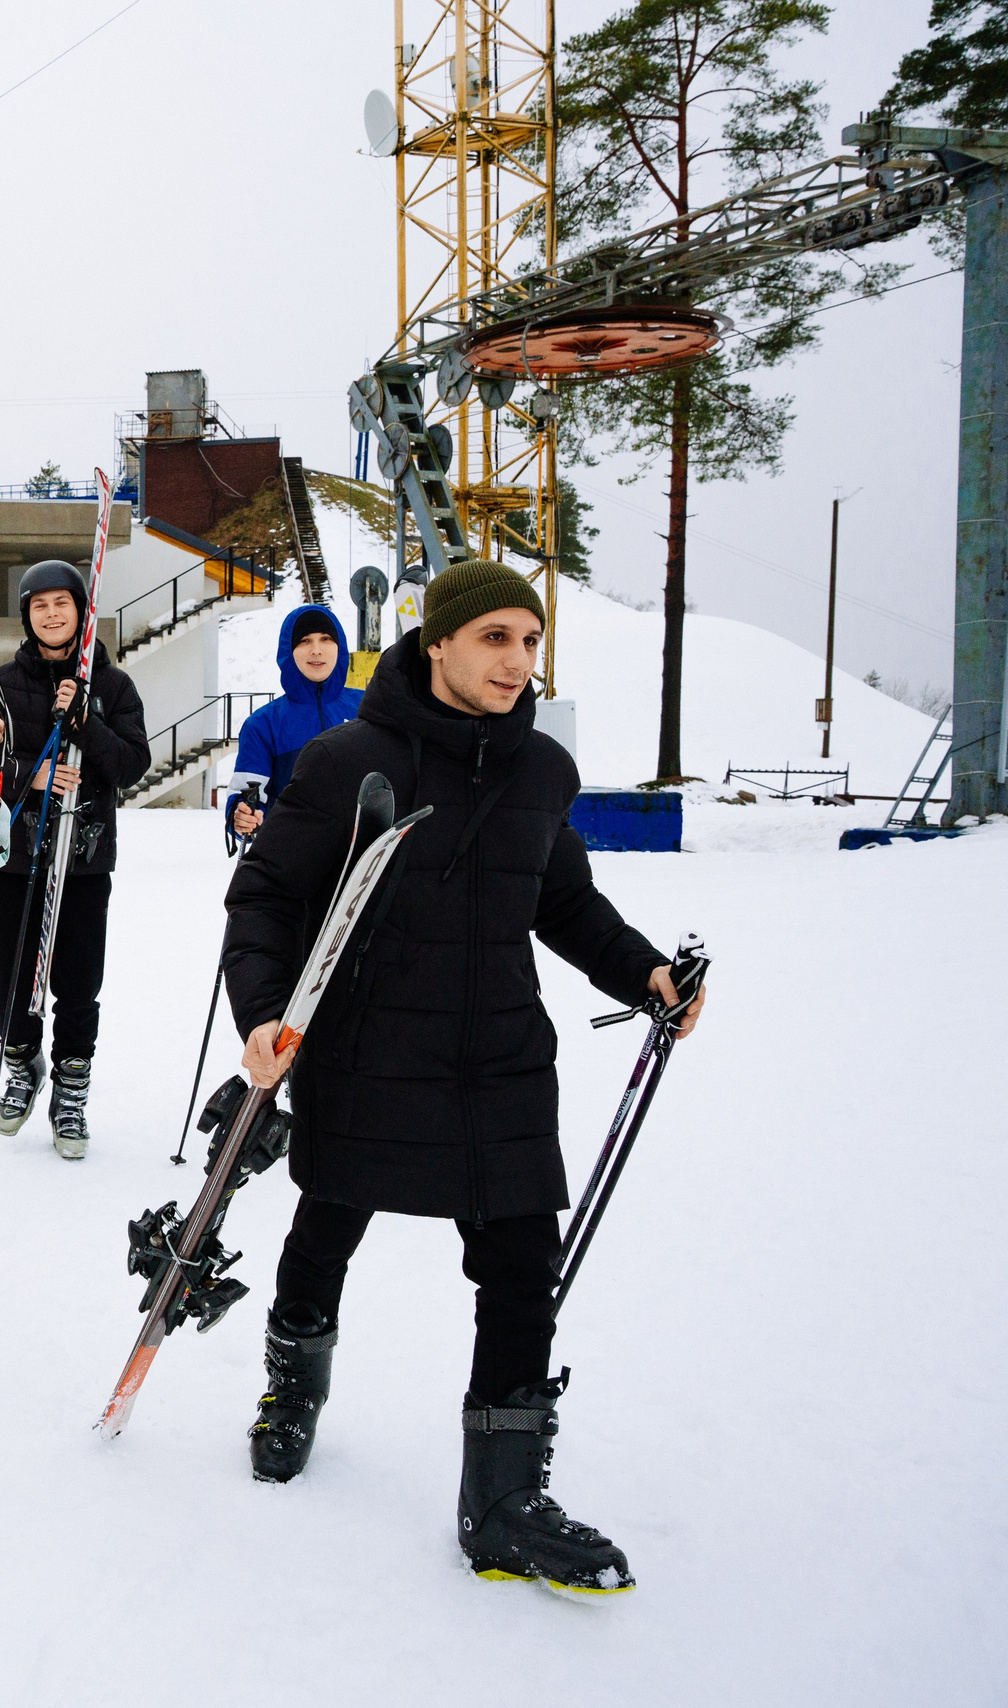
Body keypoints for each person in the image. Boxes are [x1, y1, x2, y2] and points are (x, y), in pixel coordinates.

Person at [221, 559, 708, 1593]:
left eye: (528, 643)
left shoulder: (537, 770)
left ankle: (500, 1501)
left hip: (497, 1055)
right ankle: (290, 1392)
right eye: (493, 637)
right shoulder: (348, 760)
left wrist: (647, 970)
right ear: (434, 641)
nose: (515, 661)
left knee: (522, 1258)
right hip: (367, 1044)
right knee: (327, 1221)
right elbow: (263, 897)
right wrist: (263, 1016)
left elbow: (564, 901)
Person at [0, 559, 150, 1159]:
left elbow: (131, 766)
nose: (51, 614)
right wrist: (29, 772)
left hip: (84, 856)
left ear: (80, 611)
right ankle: (23, 1061)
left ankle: (72, 1086)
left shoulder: (113, 686)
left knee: (77, 982)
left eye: (62, 603)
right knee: (9, 977)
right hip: (12, 856)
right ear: (27, 615)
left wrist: (86, 721)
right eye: (39, 605)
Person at [226, 604, 362, 844]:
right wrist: (242, 816)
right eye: (304, 641)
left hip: (360, 861)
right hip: (293, 860)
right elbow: (245, 796)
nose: (316, 650)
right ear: (289, 650)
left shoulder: (367, 708)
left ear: (339, 647)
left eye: (326, 639)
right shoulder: (263, 724)